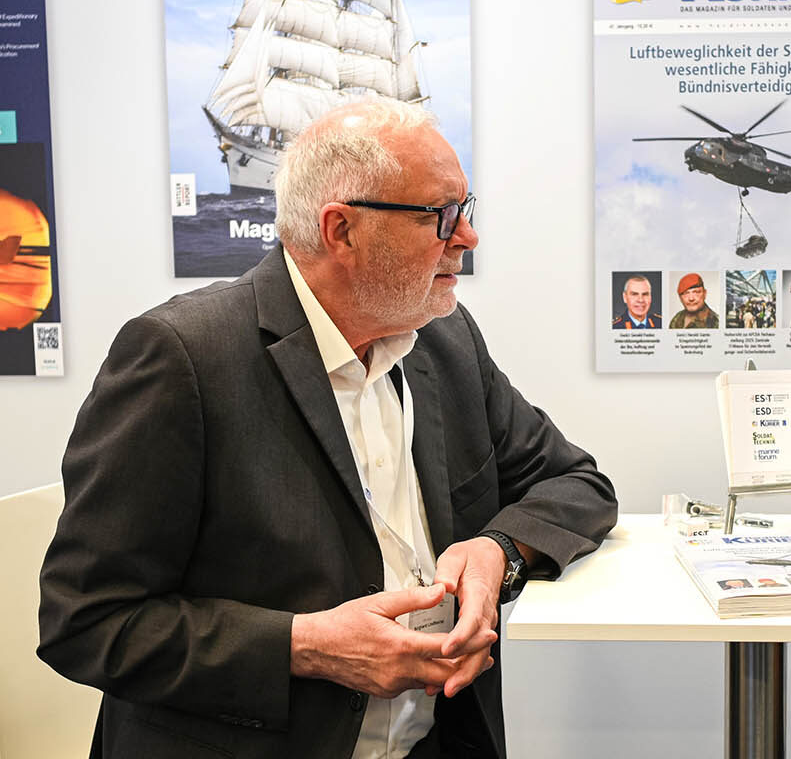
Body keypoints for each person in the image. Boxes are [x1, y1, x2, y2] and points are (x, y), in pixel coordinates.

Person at [37, 98, 618, 758]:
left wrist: (499, 552)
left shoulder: (444, 339)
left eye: (467, 210)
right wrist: (308, 647)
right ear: (343, 231)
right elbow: (85, 621)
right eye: (441, 216)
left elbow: (577, 482)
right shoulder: (182, 359)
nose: (467, 238)